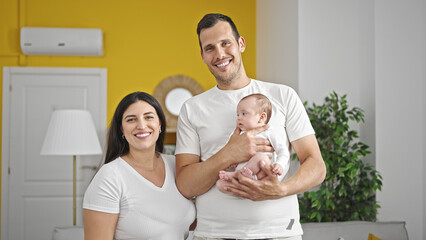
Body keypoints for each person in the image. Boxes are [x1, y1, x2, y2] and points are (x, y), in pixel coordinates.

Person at [175, 13, 326, 239]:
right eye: (210, 48)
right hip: (214, 234)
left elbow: (316, 167)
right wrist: (228, 153)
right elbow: (186, 186)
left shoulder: (283, 96)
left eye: (225, 43)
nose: (219, 54)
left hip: (279, 233)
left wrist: (280, 190)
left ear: (241, 44)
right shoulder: (192, 108)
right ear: (203, 56)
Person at [83, 92, 195, 240]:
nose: (141, 125)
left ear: (160, 124)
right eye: (131, 119)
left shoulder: (177, 165)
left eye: (149, 117)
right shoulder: (109, 177)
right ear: (122, 129)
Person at [216, 93, 288, 194]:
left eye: (244, 114)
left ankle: (237, 174)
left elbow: (283, 151)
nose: (239, 118)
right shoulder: (238, 135)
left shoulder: (268, 132)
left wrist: (280, 164)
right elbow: (231, 155)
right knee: (220, 184)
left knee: (261, 157)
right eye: (238, 114)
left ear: (261, 117)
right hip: (244, 178)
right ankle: (244, 185)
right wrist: (233, 161)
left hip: (262, 175)